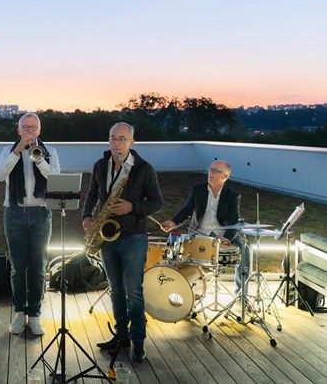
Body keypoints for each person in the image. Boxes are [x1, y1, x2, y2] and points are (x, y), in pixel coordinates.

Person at [82, 122, 163, 363]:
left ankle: (138, 341)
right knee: (116, 289)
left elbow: (157, 202)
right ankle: (121, 335)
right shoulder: (100, 165)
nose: (117, 143)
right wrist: (87, 216)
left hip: (133, 236)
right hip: (107, 237)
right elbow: (92, 193)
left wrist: (132, 207)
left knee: (133, 291)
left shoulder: (144, 169)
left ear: (132, 142)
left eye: (122, 139)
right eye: (113, 138)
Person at [0, 112, 60, 336]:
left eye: (33, 127)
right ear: (19, 130)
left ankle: (34, 314)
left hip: (41, 213)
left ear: (39, 130)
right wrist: (16, 152)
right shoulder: (8, 150)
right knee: (18, 267)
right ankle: (19, 312)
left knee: (38, 267)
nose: (29, 131)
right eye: (25, 127)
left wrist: (39, 159)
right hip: (14, 213)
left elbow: (55, 178)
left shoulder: (50, 151)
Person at [160, 160, 249, 296]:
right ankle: (186, 292)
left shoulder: (233, 195)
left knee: (245, 249)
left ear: (225, 176)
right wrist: (173, 222)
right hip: (198, 233)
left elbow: (234, 221)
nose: (211, 173)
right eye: (210, 169)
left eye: (215, 171)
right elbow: (186, 210)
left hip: (221, 234)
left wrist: (227, 238)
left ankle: (241, 295)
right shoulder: (198, 189)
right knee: (178, 252)